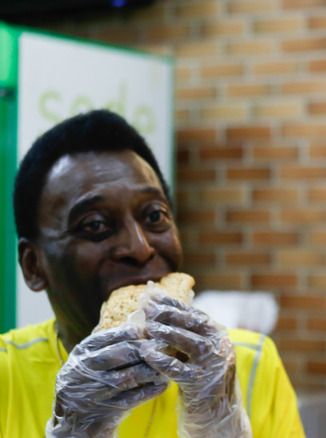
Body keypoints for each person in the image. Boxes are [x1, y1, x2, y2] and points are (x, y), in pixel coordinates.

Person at [0, 109, 305, 437]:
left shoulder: (245, 364)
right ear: (34, 265)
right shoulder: (8, 374)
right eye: (96, 225)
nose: (140, 247)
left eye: (155, 216)